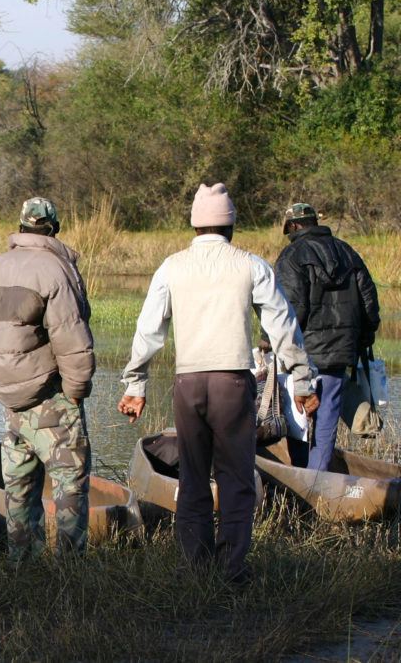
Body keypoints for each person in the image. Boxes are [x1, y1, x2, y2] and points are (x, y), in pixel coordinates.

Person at [116, 183, 319, 583]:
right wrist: (302, 380)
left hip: (188, 385)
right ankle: (231, 570)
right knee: (236, 478)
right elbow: (282, 327)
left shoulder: (171, 267)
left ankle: (196, 568)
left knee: (192, 477)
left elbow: (148, 331)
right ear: (231, 225)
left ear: (195, 225)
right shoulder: (251, 265)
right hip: (232, 385)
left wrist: (135, 384)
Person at [0, 197, 95, 563]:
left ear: (21, 227)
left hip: (9, 400)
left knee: (19, 488)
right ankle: (70, 569)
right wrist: (75, 393)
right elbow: (72, 340)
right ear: (53, 229)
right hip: (50, 395)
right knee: (70, 483)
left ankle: (21, 566)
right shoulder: (55, 270)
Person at [260, 203, 380, 470]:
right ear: (315, 222)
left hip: (302, 355)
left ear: (292, 227)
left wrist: (268, 340)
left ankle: (303, 485)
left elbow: (289, 307)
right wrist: (363, 339)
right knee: (325, 427)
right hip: (338, 357)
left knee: (298, 423)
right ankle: (319, 483)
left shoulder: (292, 255)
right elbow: (369, 304)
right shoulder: (347, 252)